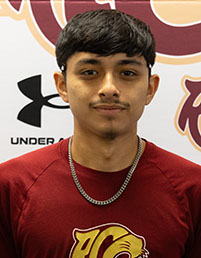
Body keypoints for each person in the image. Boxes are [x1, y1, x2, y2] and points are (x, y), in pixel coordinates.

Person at [0, 9, 201, 258]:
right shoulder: (10, 186)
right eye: (90, 73)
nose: (109, 88)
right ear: (62, 86)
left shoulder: (194, 189)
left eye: (127, 73)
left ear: (150, 88)